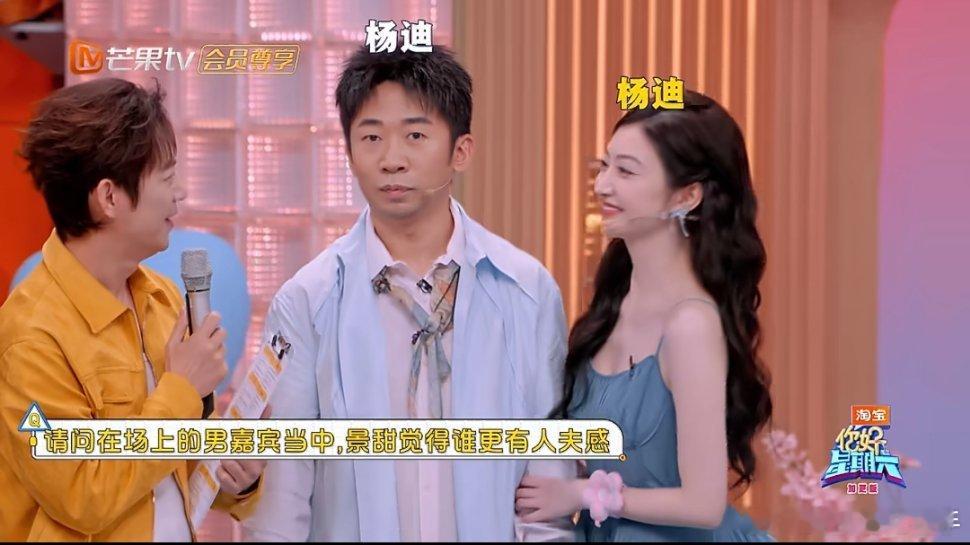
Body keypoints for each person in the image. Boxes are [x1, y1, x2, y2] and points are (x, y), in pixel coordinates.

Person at [242, 45, 575, 542]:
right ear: (348, 153)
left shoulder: (526, 289)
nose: (391, 160)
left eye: (415, 136)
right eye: (371, 137)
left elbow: (548, 479)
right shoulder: (307, 299)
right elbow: (285, 491)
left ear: (461, 151)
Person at [0, 77, 265, 541]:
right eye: (167, 177)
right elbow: (83, 494)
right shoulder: (30, 335)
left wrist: (235, 478)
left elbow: (170, 466)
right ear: (109, 198)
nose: (181, 192)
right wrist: (182, 391)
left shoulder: (162, 297)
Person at [514, 90, 776, 541]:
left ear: (687, 195)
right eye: (605, 165)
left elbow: (704, 504)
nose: (602, 185)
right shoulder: (613, 303)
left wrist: (582, 494)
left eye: (626, 171)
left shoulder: (690, 325)